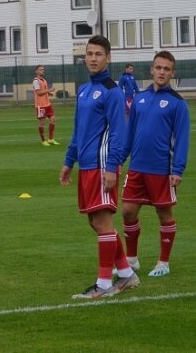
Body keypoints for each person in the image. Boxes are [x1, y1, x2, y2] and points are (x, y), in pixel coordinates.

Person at [59, 35, 139, 299]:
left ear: (108, 58)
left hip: (103, 165)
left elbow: (118, 132)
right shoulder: (83, 90)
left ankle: (104, 285)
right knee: (96, 222)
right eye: (89, 54)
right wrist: (69, 161)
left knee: (103, 222)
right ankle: (126, 274)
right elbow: (78, 130)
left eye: (98, 54)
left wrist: (112, 166)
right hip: (86, 166)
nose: (92, 59)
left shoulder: (111, 91)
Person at [121, 51, 189, 278]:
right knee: (128, 211)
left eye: (166, 69)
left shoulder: (178, 104)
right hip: (137, 167)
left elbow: (182, 139)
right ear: (151, 69)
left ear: (172, 73)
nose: (161, 72)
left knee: (164, 214)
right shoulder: (139, 99)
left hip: (161, 170)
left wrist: (177, 170)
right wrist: (119, 160)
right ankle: (132, 260)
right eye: (158, 68)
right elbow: (129, 134)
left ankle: (163, 262)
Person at [32, 65, 59, 146]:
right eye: (41, 70)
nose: (43, 71)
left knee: (53, 119)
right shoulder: (36, 81)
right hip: (41, 106)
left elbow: (43, 91)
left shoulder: (44, 80)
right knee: (42, 123)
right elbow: (39, 93)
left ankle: (50, 139)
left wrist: (48, 93)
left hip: (47, 104)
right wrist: (49, 90)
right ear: (36, 71)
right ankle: (43, 140)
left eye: (43, 69)